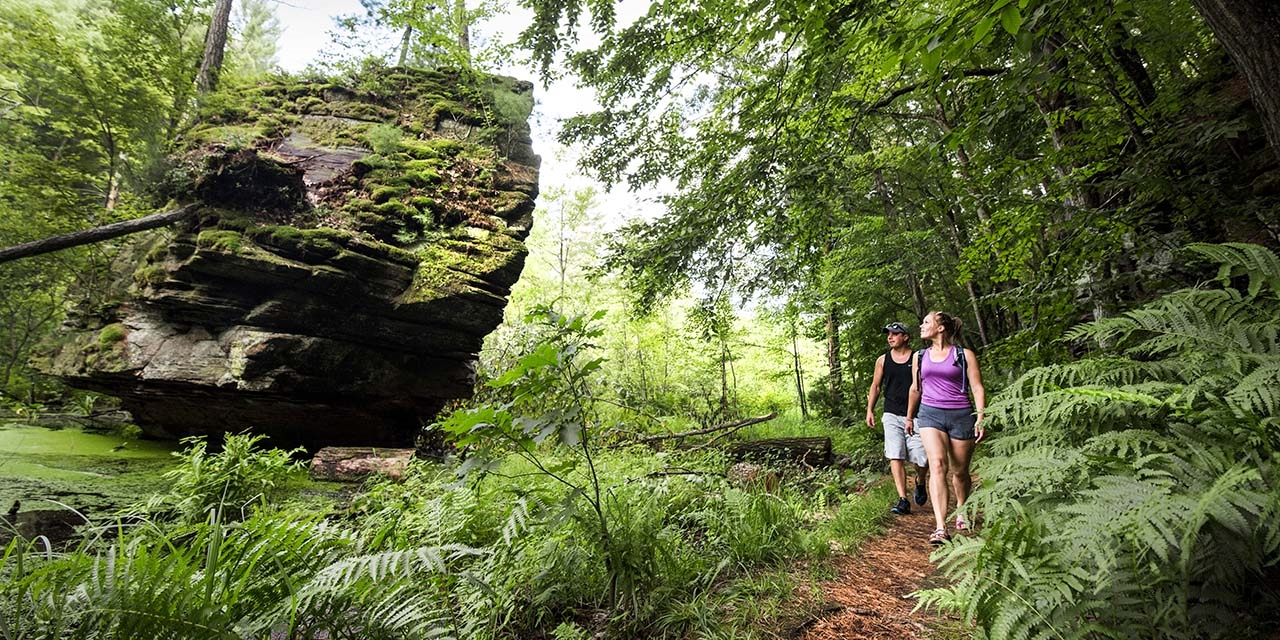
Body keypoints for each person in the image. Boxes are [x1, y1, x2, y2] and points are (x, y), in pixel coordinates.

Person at [906, 311, 986, 545]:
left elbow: (977, 387)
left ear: (941, 328)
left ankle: (962, 508)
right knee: (937, 464)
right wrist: (910, 416)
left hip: (961, 415)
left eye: (927, 322)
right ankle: (940, 527)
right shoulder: (919, 357)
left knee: (960, 472)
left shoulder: (964, 355)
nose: (921, 326)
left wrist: (981, 416)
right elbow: (915, 388)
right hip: (930, 415)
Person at [865, 321, 929, 515]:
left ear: (905, 337)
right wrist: (870, 410)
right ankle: (903, 499)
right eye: (889, 334)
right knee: (895, 454)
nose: (890, 337)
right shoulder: (882, 360)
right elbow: (875, 386)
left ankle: (920, 481)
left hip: (917, 414)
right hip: (891, 413)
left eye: (894, 334)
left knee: (921, 459)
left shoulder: (918, 357)